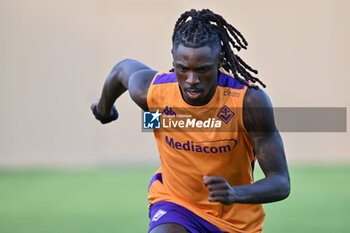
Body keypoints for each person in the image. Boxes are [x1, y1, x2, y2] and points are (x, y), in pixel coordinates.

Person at [91, 9, 290, 233]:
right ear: (173, 60)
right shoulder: (153, 91)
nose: (191, 80)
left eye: (203, 70)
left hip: (235, 221)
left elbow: (281, 181)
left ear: (219, 61)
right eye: (183, 69)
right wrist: (104, 109)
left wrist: (235, 193)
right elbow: (121, 70)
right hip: (176, 205)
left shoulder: (248, 102)